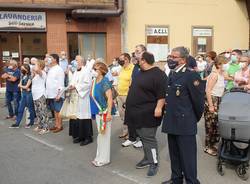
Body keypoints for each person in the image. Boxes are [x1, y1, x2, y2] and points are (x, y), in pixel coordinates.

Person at [161, 46, 205, 184]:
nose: (170, 59)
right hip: (171, 121)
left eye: (174, 57)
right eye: (170, 56)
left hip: (185, 123)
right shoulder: (173, 74)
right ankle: (176, 180)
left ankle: (192, 181)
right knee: (174, 155)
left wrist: (192, 119)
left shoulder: (191, 75)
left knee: (188, 158)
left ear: (183, 60)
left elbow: (198, 102)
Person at [125, 52, 167, 177]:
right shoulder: (140, 72)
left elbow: (162, 94)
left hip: (148, 113)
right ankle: (147, 158)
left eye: (138, 58)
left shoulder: (159, 75)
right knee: (143, 138)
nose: (136, 60)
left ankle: (153, 162)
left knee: (149, 139)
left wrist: (159, 108)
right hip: (136, 112)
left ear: (143, 60)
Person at [90, 62, 115, 167]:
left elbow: (110, 98)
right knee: (100, 135)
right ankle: (99, 156)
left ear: (101, 71)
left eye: (95, 69)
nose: (93, 71)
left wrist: (109, 113)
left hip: (105, 112)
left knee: (104, 135)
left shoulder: (105, 81)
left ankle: (104, 159)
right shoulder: (94, 81)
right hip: (98, 112)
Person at [122, 45, 146, 148]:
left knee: (140, 119)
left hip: (142, 96)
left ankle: (142, 139)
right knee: (130, 117)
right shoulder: (135, 66)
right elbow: (132, 80)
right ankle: (132, 138)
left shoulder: (145, 65)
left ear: (144, 52)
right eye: (135, 51)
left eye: (138, 51)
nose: (135, 53)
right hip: (132, 94)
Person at [68, 56, 93, 146]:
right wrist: (71, 85)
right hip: (75, 97)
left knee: (84, 117)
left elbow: (88, 84)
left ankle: (88, 137)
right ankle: (80, 136)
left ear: (81, 62)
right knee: (77, 117)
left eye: (76, 60)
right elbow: (73, 81)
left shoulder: (86, 71)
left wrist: (76, 87)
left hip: (83, 98)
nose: (74, 61)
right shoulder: (76, 71)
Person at [204, 56, 225, 156]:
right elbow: (208, 90)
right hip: (212, 100)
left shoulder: (220, 74)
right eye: (225, 63)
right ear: (219, 64)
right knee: (210, 125)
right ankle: (208, 147)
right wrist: (211, 106)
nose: (227, 65)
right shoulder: (214, 75)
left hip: (219, 100)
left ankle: (213, 145)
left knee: (216, 125)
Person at [9, 64, 35, 128]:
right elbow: (21, 85)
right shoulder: (22, 76)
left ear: (27, 69)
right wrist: (23, 87)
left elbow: (26, 86)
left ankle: (31, 122)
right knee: (20, 109)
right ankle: (17, 123)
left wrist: (22, 86)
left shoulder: (30, 76)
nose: (21, 70)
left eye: (23, 69)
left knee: (30, 109)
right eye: (21, 69)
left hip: (29, 94)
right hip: (23, 94)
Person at [46, 54, 65, 133]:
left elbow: (61, 83)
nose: (48, 59)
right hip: (50, 94)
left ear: (55, 59)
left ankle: (60, 126)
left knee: (58, 110)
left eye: (50, 58)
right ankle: (56, 125)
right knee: (54, 110)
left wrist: (59, 94)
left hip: (56, 94)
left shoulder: (59, 69)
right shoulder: (51, 68)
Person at [117, 53, 134, 139]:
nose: (119, 61)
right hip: (119, 95)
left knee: (129, 115)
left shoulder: (133, 69)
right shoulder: (122, 69)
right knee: (122, 114)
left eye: (121, 59)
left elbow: (132, 84)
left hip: (127, 96)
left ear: (126, 59)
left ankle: (131, 133)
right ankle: (125, 132)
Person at [32, 60, 49, 135]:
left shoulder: (43, 73)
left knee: (43, 112)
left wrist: (36, 65)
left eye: (36, 64)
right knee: (38, 112)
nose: (34, 66)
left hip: (40, 95)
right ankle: (40, 126)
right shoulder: (36, 74)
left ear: (40, 66)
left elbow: (36, 70)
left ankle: (46, 128)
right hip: (35, 95)